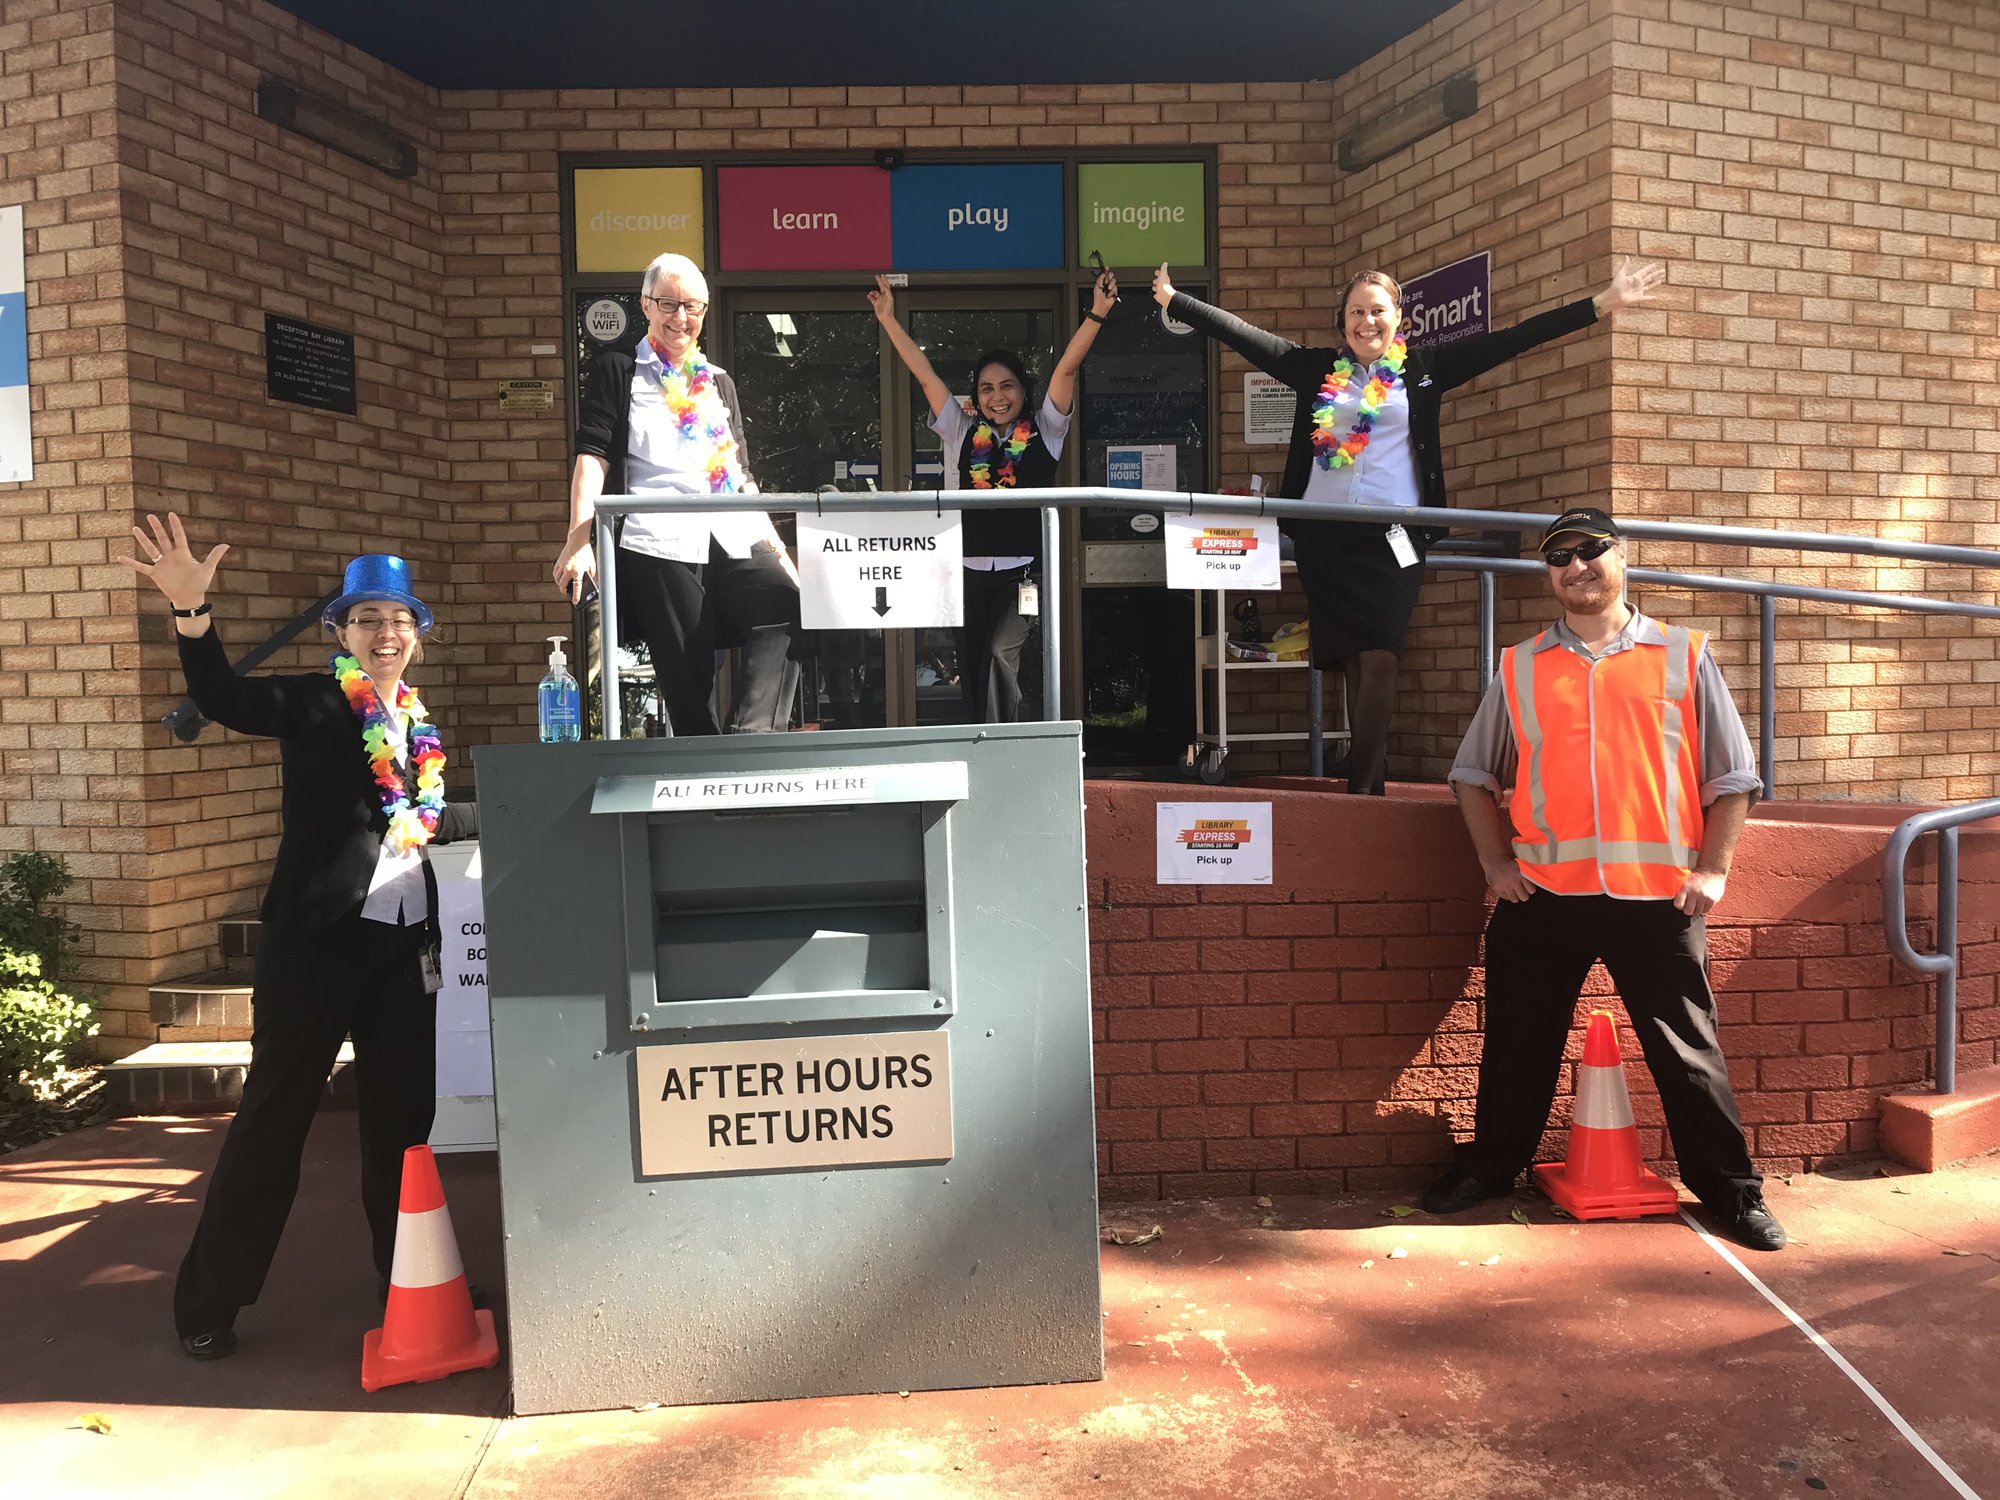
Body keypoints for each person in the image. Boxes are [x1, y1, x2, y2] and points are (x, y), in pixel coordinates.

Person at [116, 515, 482, 1357]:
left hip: (399, 951)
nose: (385, 633)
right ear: (341, 634)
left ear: (417, 637)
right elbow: (228, 699)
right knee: (273, 1121)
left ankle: (410, 1277)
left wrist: (510, 805)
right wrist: (192, 615)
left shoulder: (416, 726)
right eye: (367, 619)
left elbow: (417, 819)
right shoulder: (321, 702)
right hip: (314, 946)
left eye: (399, 620)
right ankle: (207, 1305)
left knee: (402, 1127)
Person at [1150, 259, 1666, 795]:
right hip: (1326, 540)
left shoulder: (1424, 369)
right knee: (1354, 660)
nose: (1366, 321)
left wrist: (1600, 305)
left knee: (1380, 655)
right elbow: (1248, 338)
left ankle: (1362, 793)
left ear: (1399, 318)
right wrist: (1175, 300)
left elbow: (1512, 340)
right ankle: (1367, 787)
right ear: (1342, 321)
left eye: (1377, 310)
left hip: (1391, 540)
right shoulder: (1317, 371)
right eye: (1356, 312)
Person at [1422, 505, 1786, 1252]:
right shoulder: (1521, 666)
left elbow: (1735, 776)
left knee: (1688, 1053)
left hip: (1658, 897)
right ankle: (1491, 1169)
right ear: (1547, 575)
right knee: (1517, 1045)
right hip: (1545, 894)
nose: (1576, 566)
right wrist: (1495, 864)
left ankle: (1731, 1191)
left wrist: (1714, 869)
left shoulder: (1683, 655)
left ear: (1623, 557)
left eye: (1591, 550)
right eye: (1559, 557)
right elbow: (1471, 773)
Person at [554, 251, 801, 735]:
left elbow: (741, 472)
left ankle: (752, 736)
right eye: (669, 303)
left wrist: (775, 546)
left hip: (729, 528)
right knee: (688, 670)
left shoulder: (718, 382)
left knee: (787, 601)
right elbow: (593, 455)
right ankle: (700, 766)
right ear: (645, 305)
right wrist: (578, 538)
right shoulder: (619, 370)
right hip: (658, 538)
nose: (681, 318)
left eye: (693, 307)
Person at [869, 268, 1118, 722]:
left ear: (1024, 391)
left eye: (1007, 386)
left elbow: (1066, 367)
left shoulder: (1047, 429)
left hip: (1022, 576)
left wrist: (1097, 314)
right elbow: (924, 377)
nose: (997, 397)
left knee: (1002, 655)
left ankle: (1001, 748)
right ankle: (976, 749)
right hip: (966, 574)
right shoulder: (963, 431)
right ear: (976, 397)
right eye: (986, 388)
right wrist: (887, 318)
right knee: (973, 662)